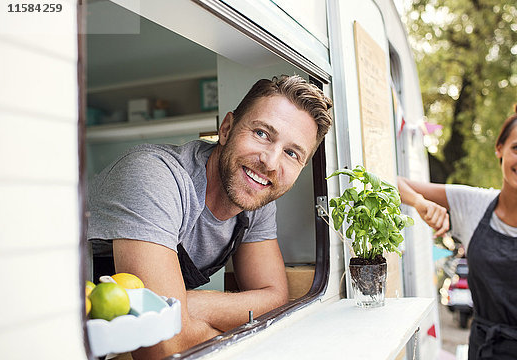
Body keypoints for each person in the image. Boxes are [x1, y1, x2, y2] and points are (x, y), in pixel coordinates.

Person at [87, 75, 333, 359]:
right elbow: (162, 345)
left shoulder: (256, 197)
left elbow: (274, 297)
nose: (270, 162)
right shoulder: (152, 177)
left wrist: (189, 306)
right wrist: (192, 324)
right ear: (226, 129)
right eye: (262, 134)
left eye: (291, 153)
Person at [398, 100, 517, 359]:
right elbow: (391, 180)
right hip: (486, 351)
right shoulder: (471, 204)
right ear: (500, 149)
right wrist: (420, 203)